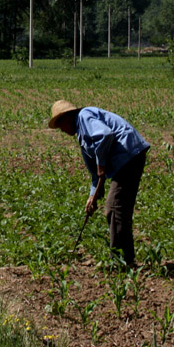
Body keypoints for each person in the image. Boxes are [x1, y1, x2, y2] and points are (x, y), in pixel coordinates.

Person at [49, 100, 150, 268]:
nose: (63, 131)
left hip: (129, 155)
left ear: (67, 117)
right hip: (125, 161)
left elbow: (105, 135)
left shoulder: (84, 116)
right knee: (116, 208)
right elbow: (96, 176)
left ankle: (122, 261)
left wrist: (101, 164)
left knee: (115, 208)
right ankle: (123, 259)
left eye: (61, 126)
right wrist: (92, 197)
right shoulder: (82, 138)